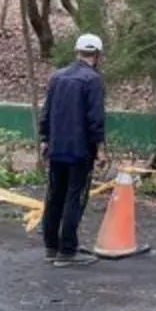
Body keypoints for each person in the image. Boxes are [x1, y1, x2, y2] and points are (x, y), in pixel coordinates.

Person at [39, 33, 109, 266]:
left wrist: (45, 139)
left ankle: (51, 246)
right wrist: (100, 148)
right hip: (80, 149)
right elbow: (95, 118)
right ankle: (68, 250)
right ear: (97, 55)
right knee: (75, 197)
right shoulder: (93, 80)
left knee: (55, 194)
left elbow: (46, 111)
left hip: (57, 147)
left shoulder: (57, 77)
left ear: (77, 51)